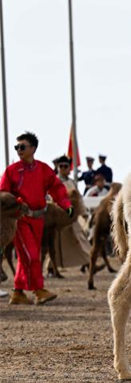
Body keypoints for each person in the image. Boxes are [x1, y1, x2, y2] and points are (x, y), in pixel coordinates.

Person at [0, 131, 72, 305]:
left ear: (33, 148)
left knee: (26, 256)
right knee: (31, 255)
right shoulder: (11, 171)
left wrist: (66, 204)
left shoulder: (43, 169)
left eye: (22, 147)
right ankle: (39, 290)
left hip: (39, 219)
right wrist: (15, 202)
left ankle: (18, 292)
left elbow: (56, 187)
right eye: (17, 147)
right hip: (21, 219)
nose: (19, 150)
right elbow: (3, 193)